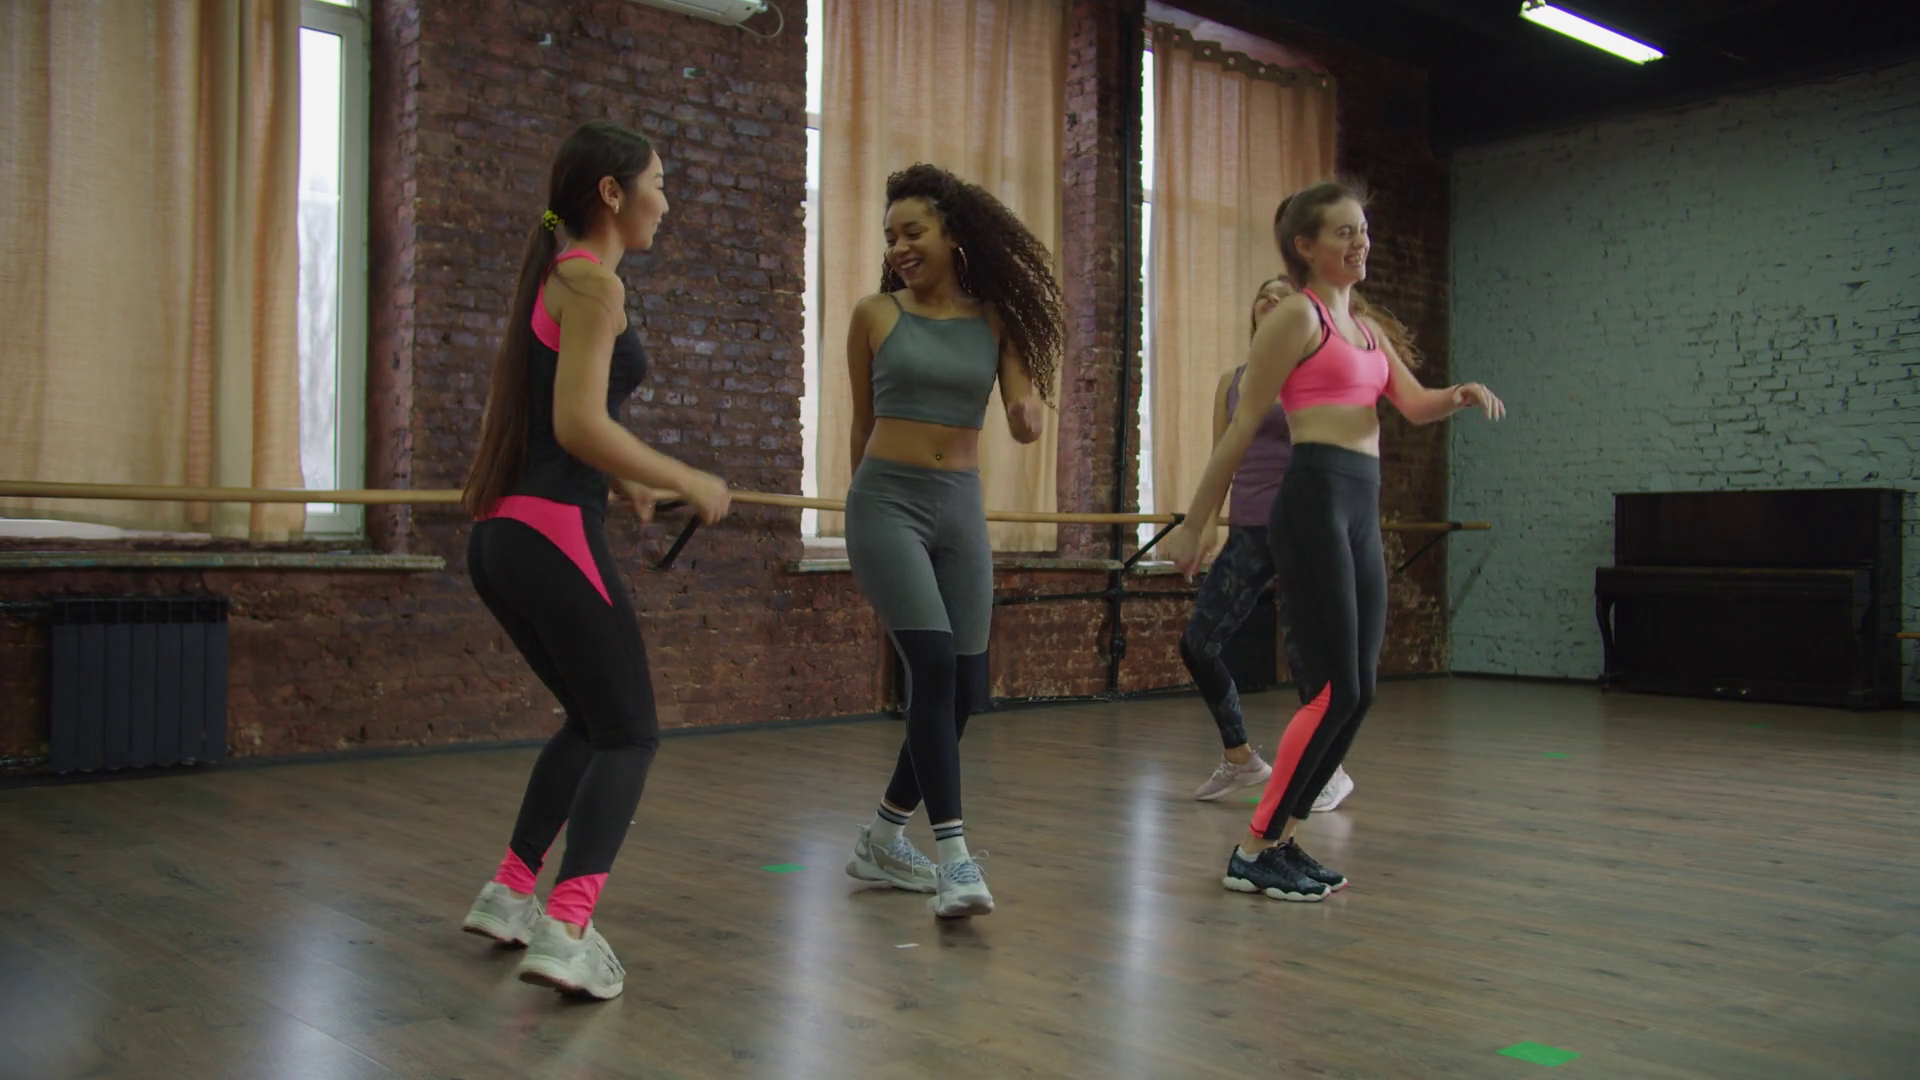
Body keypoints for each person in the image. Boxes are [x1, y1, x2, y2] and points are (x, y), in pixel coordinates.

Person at [1164, 181, 1505, 903]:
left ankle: (1282, 838)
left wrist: (1458, 394)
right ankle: (1255, 847)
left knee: (1361, 690)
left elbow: (1412, 404)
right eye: (1344, 231)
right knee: (1331, 689)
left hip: (1358, 503)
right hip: (1313, 497)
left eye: (1363, 230)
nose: (1361, 242)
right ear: (1306, 246)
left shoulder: (1366, 327)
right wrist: (1196, 522)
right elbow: (1241, 426)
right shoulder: (1297, 315)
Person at [455, 120, 732, 998]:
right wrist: (686, 475)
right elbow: (577, 424)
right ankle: (568, 929)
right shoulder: (593, 283)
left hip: (503, 536)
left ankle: (510, 893)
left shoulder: (558, 275)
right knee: (631, 732)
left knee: (590, 718)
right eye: (658, 183)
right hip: (549, 533)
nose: (666, 202)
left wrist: (627, 481)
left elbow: (560, 424)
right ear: (612, 193)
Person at [840, 163, 1063, 918]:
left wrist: (1030, 416)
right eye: (890, 237)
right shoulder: (875, 314)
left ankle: (881, 838)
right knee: (932, 665)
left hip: (959, 509)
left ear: (952, 235)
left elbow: (1023, 415)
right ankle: (956, 860)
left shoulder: (996, 321)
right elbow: (861, 423)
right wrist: (857, 516)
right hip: (886, 505)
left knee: (965, 690)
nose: (900, 248)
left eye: (914, 232)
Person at [1183, 277, 1352, 814]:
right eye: (1264, 295)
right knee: (1198, 643)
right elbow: (1222, 456)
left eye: (1285, 295)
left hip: (1302, 529)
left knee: (1306, 657)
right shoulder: (1232, 381)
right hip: (1249, 531)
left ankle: (1330, 770)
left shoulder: (1315, 374)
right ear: (1254, 311)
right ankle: (1240, 758)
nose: (1273, 301)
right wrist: (1205, 524)